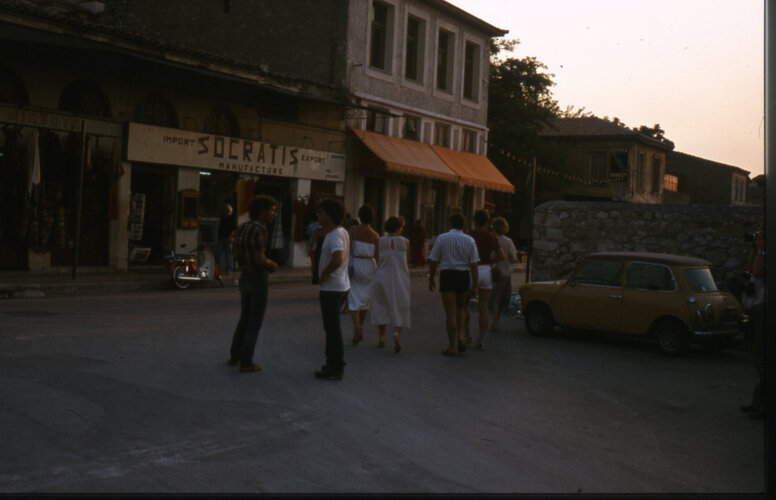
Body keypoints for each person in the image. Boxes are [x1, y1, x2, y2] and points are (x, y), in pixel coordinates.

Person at [227, 195, 279, 373]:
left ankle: (235, 355)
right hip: (257, 277)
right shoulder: (261, 229)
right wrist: (271, 265)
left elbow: (234, 253)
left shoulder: (242, 227)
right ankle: (246, 361)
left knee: (244, 317)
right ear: (261, 211)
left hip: (244, 277)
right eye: (271, 210)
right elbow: (259, 258)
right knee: (255, 321)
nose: (274, 214)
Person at [428, 213, 479, 356]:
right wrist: (475, 285)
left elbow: (433, 261)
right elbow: (474, 265)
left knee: (450, 312)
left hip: (448, 274)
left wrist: (431, 278)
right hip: (463, 275)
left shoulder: (442, 238)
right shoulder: (470, 240)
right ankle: (461, 337)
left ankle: (452, 346)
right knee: (461, 309)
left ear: (450, 223)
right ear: (464, 225)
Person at [315, 198, 350, 380]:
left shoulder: (335, 235)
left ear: (328, 214)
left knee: (332, 330)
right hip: (340, 285)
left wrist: (324, 274)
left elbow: (337, 258)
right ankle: (332, 363)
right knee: (332, 329)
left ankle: (335, 367)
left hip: (332, 287)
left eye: (320, 212)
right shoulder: (340, 232)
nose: (318, 215)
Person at [368, 216, 411, 352]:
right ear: (399, 228)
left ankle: (381, 337)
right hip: (400, 277)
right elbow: (406, 260)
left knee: (381, 304)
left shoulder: (380, 241)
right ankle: (397, 332)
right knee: (400, 305)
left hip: (382, 276)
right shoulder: (405, 242)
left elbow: (376, 257)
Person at [465, 209, 506, 350]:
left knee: (464, 304)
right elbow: (503, 256)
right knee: (483, 307)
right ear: (487, 222)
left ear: (474, 220)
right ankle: (481, 340)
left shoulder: (469, 235)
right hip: (485, 271)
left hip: (470, 270)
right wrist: (491, 261)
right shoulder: (491, 237)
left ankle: (467, 334)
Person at [740, 226, 766, 419]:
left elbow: (756, 272)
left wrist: (762, 249)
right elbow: (750, 269)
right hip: (758, 312)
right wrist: (755, 250)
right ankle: (757, 404)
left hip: (765, 313)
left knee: (763, 361)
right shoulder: (761, 253)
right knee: (759, 360)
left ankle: (762, 407)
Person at [348, 204, 380, 345]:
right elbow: (377, 255)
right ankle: (361, 325)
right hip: (369, 266)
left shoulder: (352, 231)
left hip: (355, 264)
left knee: (352, 297)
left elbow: (347, 249)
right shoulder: (375, 235)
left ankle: (357, 326)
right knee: (365, 299)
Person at [489, 217, 518, 333]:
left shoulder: (491, 239)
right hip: (505, 272)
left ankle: (494, 321)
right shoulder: (508, 241)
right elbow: (513, 258)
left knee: (494, 297)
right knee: (501, 298)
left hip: (493, 270)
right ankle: (496, 321)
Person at [215, 199, 237, 274]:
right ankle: (217, 269)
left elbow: (234, 229)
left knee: (228, 255)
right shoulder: (223, 217)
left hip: (227, 237)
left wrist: (230, 237)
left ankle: (229, 270)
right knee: (220, 253)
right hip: (222, 237)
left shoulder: (231, 218)